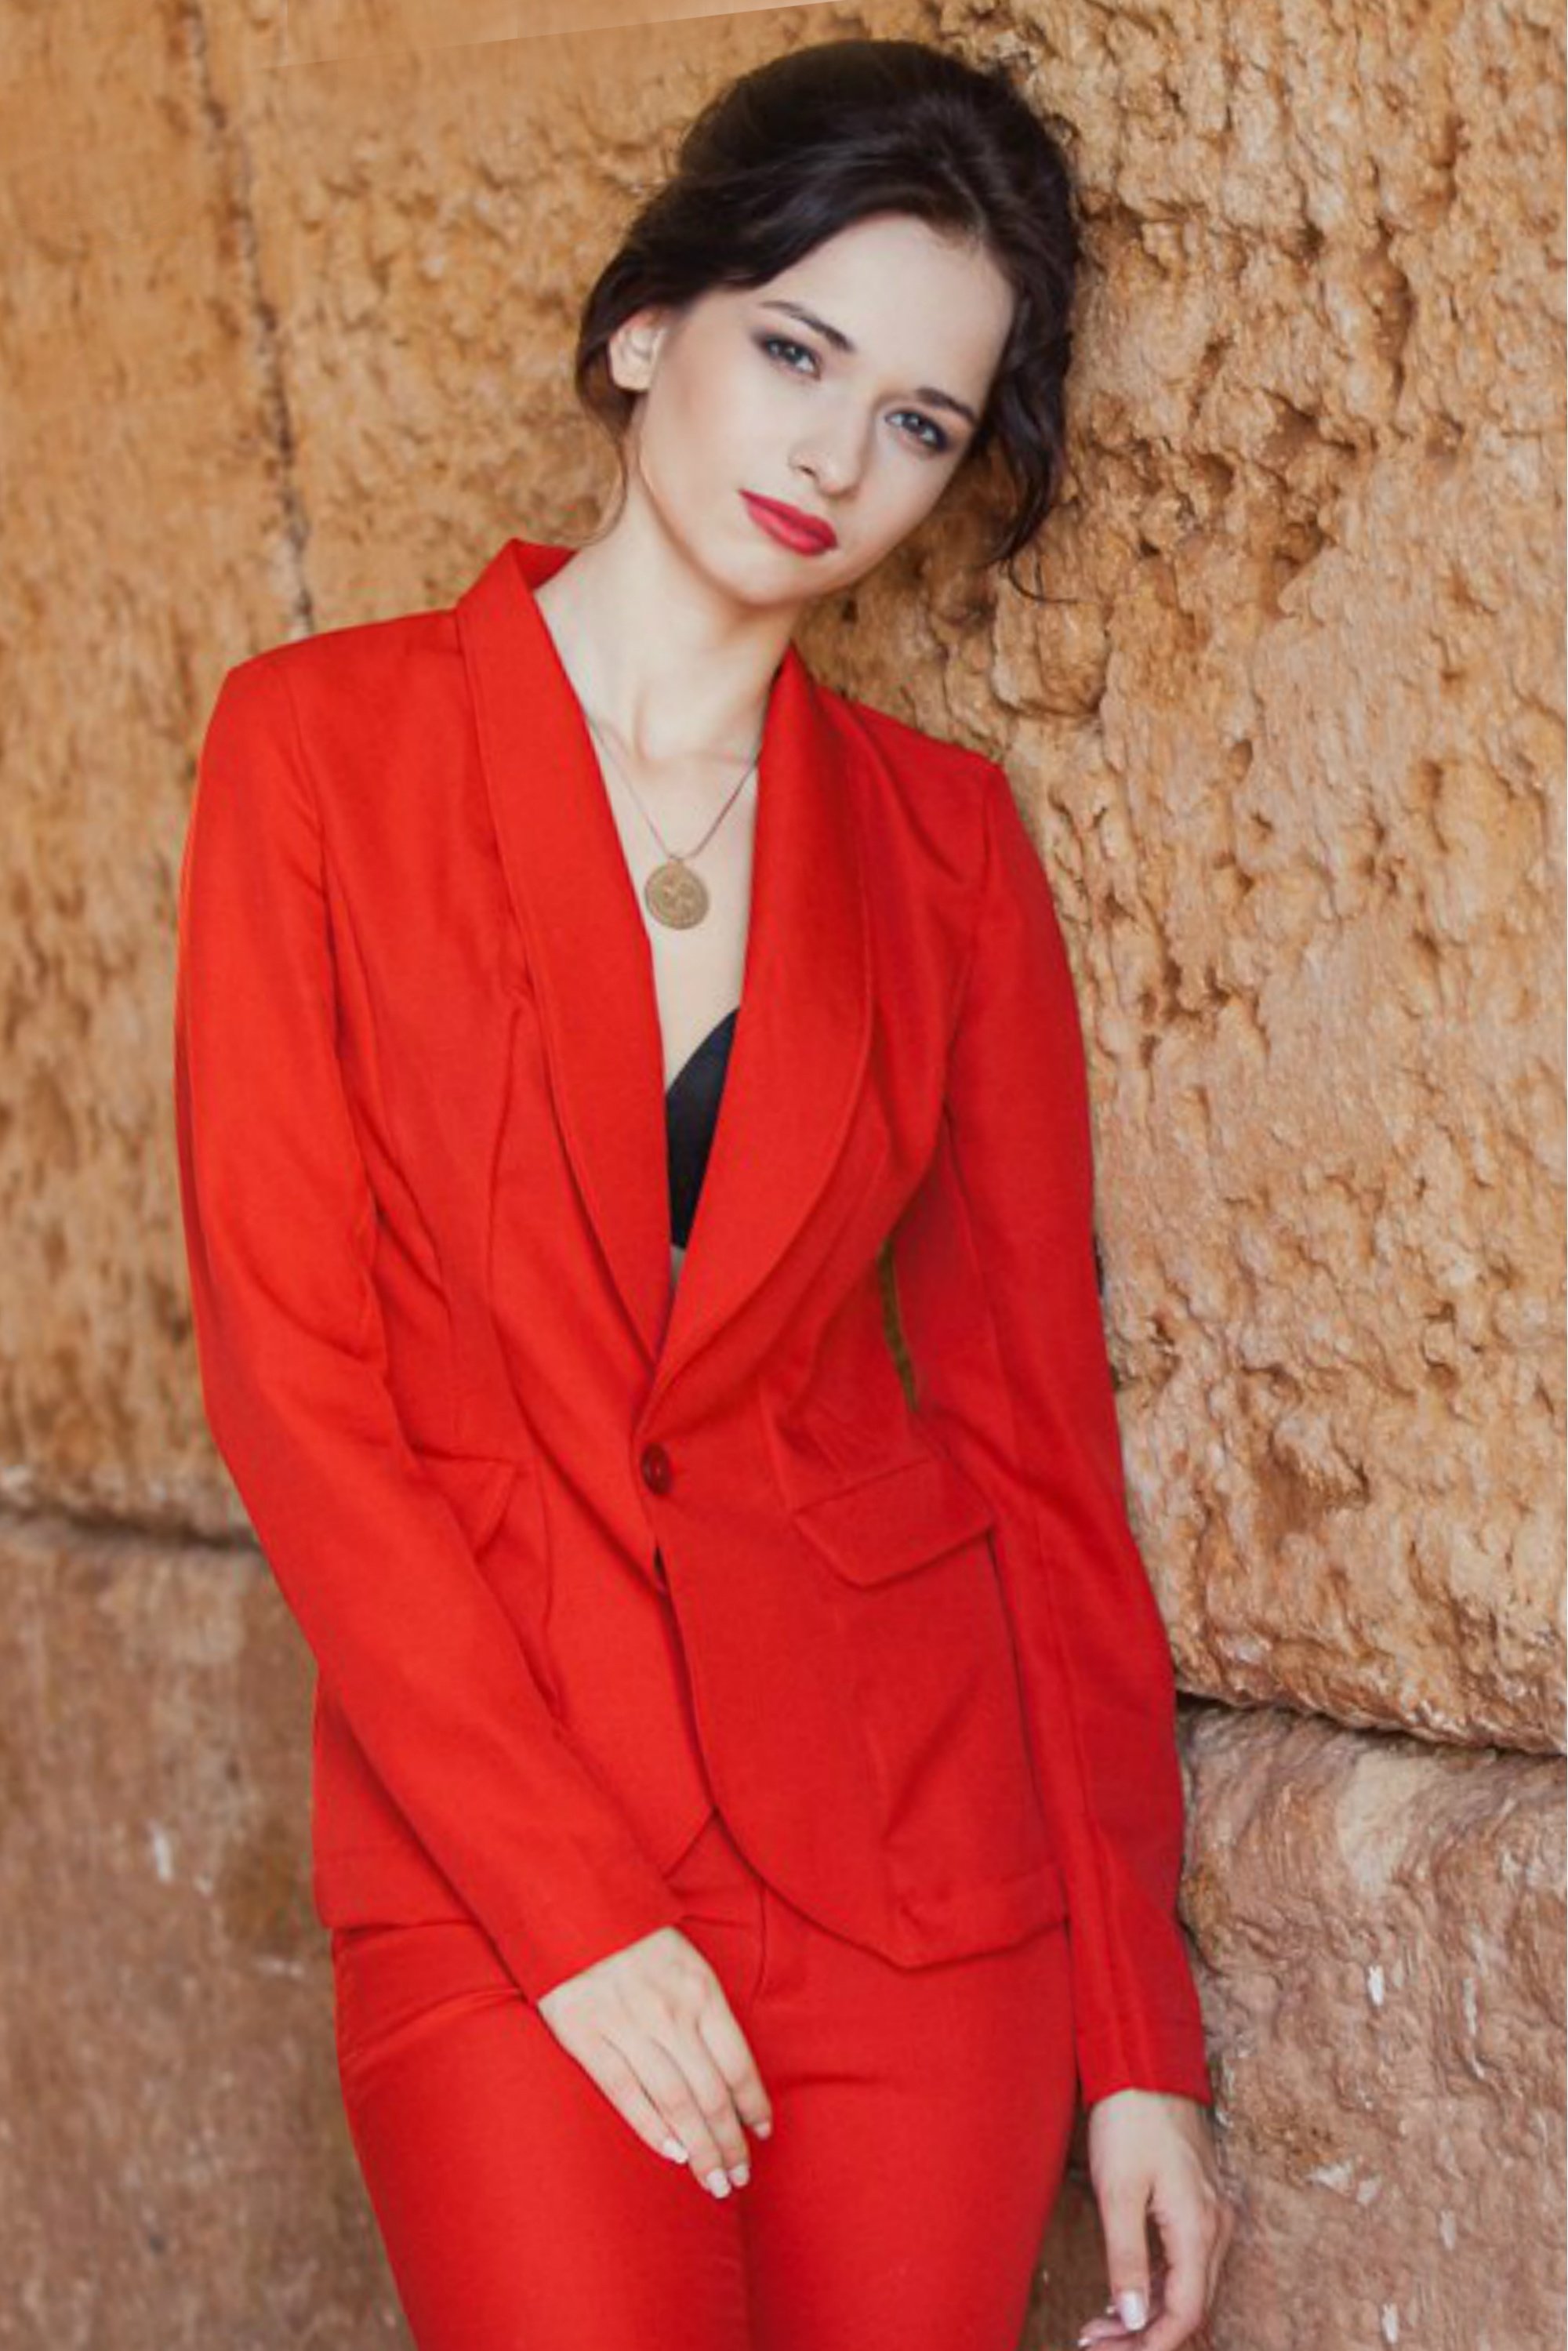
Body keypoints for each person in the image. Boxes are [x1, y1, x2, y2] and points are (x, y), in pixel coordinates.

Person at [172, 34, 1236, 2351]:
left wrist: (1137, 2042)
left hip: (918, 1895)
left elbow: (1037, 1457)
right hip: (505, 1868)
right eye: (798, 352)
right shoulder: (317, 753)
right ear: (652, 324)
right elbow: (295, 1388)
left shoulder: (950, 856)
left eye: (921, 421)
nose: (838, 460)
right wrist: (568, 1904)